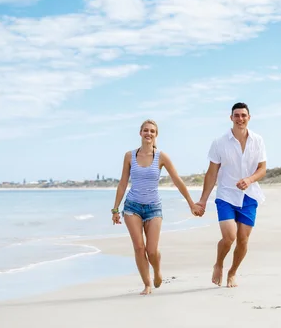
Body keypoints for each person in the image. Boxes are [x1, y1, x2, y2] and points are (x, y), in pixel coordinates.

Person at [112, 119, 204, 295]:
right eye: (146, 130)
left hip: (154, 207)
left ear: (156, 135)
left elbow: (177, 180)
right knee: (139, 248)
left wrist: (191, 203)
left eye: (152, 131)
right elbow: (123, 183)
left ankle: (157, 271)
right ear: (140, 133)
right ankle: (147, 285)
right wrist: (115, 209)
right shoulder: (129, 156)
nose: (148, 134)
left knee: (152, 250)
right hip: (132, 207)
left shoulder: (161, 156)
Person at [195, 102, 267, 288]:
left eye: (244, 115)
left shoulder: (257, 140)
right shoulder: (219, 143)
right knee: (229, 237)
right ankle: (218, 264)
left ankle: (232, 271)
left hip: (249, 196)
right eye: (237, 115)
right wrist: (202, 200)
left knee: (243, 239)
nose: (240, 118)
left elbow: (262, 168)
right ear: (231, 118)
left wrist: (250, 180)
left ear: (249, 117)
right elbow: (211, 173)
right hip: (226, 195)